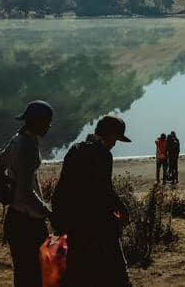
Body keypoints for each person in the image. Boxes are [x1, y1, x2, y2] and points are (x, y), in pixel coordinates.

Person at [51, 115, 133, 287]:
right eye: (115, 138)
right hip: (97, 223)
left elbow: (63, 187)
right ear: (108, 134)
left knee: (78, 271)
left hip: (72, 222)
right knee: (117, 271)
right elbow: (105, 191)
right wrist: (122, 209)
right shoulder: (103, 155)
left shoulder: (75, 149)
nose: (115, 144)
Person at [0, 100, 53, 287]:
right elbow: (26, 192)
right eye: (47, 122)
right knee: (35, 277)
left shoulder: (18, 138)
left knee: (24, 274)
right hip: (28, 222)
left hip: (15, 219)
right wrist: (47, 212)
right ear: (37, 121)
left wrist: (7, 184)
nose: (49, 126)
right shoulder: (28, 147)